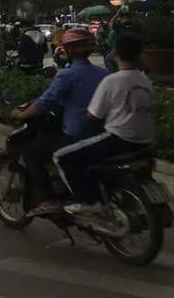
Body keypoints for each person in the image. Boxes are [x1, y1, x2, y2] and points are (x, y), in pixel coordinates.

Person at [53, 31, 154, 220]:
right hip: (145, 141)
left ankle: (88, 202)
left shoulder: (112, 80)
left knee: (61, 156)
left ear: (114, 53)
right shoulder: (145, 81)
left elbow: (93, 115)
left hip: (118, 139)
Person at [10, 28, 107, 216]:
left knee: (31, 152)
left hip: (75, 136)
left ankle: (48, 199)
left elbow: (44, 103)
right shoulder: (102, 73)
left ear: (69, 50)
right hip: (99, 135)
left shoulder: (67, 75)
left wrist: (21, 115)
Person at [104, 7, 139, 74]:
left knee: (108, 58)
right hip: (135, 50)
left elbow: (110, 24)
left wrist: (116, 15)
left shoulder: (119, 26)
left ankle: (113, 74)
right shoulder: (136, 26)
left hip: (122, 49)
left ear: (120, 17)